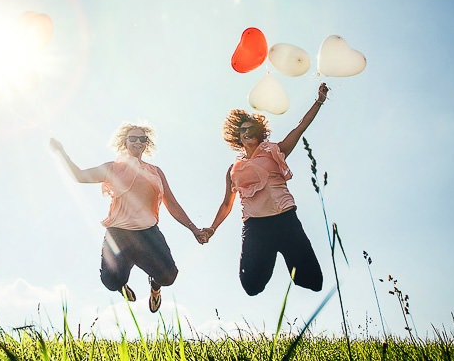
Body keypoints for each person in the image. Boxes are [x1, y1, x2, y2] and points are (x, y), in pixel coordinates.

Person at [50, 123, 207, 312]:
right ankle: (122, 284)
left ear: (147, 144)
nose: (138, 142)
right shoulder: (113, 168)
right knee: (111, 281)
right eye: (133, 138)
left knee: (168, 277)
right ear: (124, 142)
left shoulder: (155, 172)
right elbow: (79, 176)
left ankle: (154, 288)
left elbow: (172, 204)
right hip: (118, 233)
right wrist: (61, 153)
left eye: (143, 139)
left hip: (148, 233)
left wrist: (194, 229)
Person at [202, 82, 329, 296]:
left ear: (260, 133)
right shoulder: (234, 169)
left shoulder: (275, 151)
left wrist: (319, 101)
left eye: (252, 128)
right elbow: (227, 204)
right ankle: (268, 254)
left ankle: (291, 259)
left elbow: (300, 127)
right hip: (256, 227)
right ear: (238, 136)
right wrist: (212, 228)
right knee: (251, 286)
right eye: (243, 130)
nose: (247, 132)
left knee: (313, 282)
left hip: (285, 220)